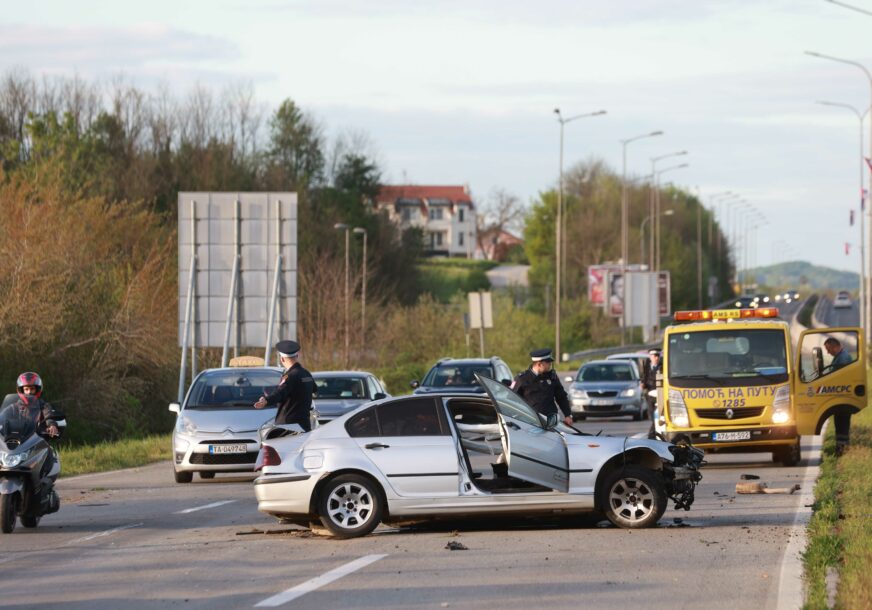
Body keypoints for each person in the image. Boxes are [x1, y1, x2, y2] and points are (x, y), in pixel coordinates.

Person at [254, 340, 315, 432]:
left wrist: (266, 400)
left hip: (289, 427)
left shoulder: (290, 376)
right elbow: (314, 389)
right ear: (297, 356)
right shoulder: (306, 374)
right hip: (304, 425)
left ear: (282, 359)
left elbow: (279, 393)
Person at [510, 349, 572, 426]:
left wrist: (568, 415)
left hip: (551, 421)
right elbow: (512, 399)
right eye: (548, 362)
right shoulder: (522, 378)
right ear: (539, 364)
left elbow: (561, 396)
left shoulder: (552, 377)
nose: (550, 364)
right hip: (530, 422)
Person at [823, 337, 853, 455]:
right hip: (840, 397)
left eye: (828, 349)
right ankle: (841, 448)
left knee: (842, 424)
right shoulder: (840, 357)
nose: (827, 352)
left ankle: (842, 450)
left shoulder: (843, 359)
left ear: (834, 346)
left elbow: (836, 377)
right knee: (840, 423)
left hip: (843, 397)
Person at [11, 372, 61, 438]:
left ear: (37, 389)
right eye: (26, 389)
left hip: (37, 439)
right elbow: (5, 417)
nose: (29, 392)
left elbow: (48, 415)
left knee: (48, 448)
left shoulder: (43, 405)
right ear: (21, 390)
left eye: (32, 389)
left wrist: (51, 425)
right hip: (17, 439)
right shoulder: (15, 407)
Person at [643, 349, 661, 421]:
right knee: (651, 413)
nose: (657, 358)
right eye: (655, 356)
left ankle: (653, 431)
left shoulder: (662, 367)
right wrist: (643, 384)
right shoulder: (646, 367)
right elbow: (643, 378)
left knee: (658, 413)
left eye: (658, 356)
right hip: (649, 392)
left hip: (659, 392)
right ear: (650, 357)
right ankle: (654, 430)